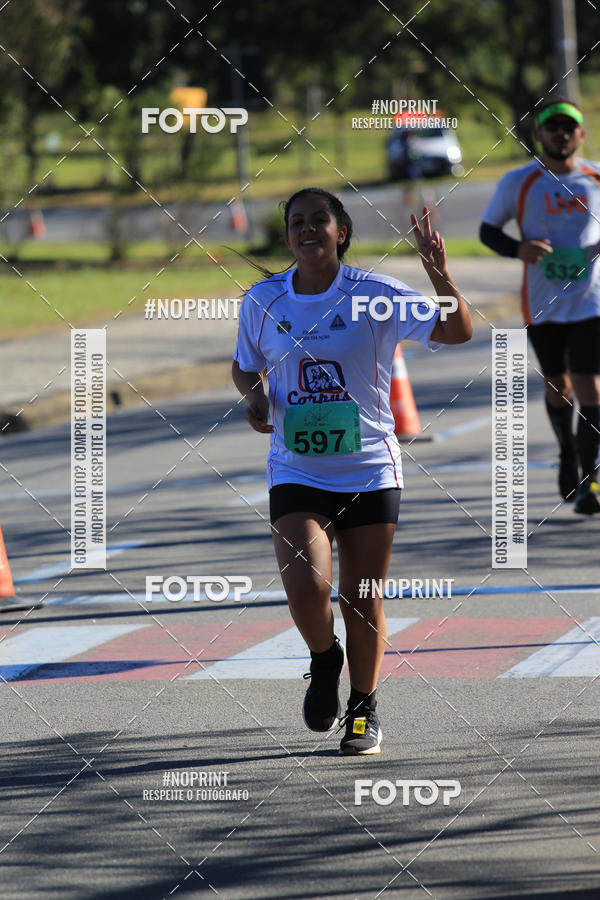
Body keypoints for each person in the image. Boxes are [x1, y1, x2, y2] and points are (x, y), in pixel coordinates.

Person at [232, 187, 472, 755]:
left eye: (320, 220)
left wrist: (440, 275)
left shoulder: (375, 294)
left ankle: (363, 707)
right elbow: (244, 368)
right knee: (305, 587)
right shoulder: (263, 300)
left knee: (361, 597)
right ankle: (323, 658)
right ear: (287, 234)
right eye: (297, 222)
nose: (308, 229)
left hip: (367, 468)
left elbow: (456, 330)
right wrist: (257, 399)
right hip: (297, 468)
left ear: (341, 231)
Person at [480, 98, 600, 514]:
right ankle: (567, 451)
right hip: (543, 304)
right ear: (540, 135)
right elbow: (487, 231)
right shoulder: (520, 181)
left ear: (581, 134)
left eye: (570, 127)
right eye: (554, 127)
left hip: (591, 302)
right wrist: (520, 249)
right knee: (558, 386)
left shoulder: (596, 178)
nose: (562, 134)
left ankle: (591, 479)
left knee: (589, 385)